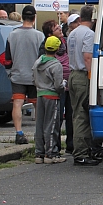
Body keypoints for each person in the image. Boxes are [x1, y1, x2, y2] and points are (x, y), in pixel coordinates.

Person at [67, 5, 103, 166]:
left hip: (73, 74)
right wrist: (92, 77)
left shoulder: (73, 33)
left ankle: (87, 149)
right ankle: (81, 153)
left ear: (80, 18)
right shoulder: (89, 34)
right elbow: (88, 57)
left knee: (77, 113)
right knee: (83, 115)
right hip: (83, 76)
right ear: (94, 19)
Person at [4, 5, 44, 144]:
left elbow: (7, 58)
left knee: (17, 103)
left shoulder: (12, 35)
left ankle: (19, 133)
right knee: (37, 105)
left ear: (22, 17)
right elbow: (42, 58)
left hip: (18, 75)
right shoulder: (39, 36)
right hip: (35, 76)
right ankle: (39, 134)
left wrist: (9, 73)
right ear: (34, 18)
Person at [39, 20, 73, 154]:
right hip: (56, 86)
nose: (60, 30)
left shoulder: (65, 42)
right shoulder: (45, 47)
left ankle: (71, 145)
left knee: (71, 115)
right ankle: (55, 147)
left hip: (69, 83)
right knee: (56, 117)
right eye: (57, 29)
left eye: (60, 28)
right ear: (49, 34)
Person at [33, 36, 67, 164]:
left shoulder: (38, 62)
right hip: (52, 96)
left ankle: (39, 153)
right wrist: (63, 85)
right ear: (57, 48)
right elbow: (58, 85)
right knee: (51, 125)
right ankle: (51, 153)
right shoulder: (56, 64)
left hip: (40, 94)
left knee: (40, 125)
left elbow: (33, 78)